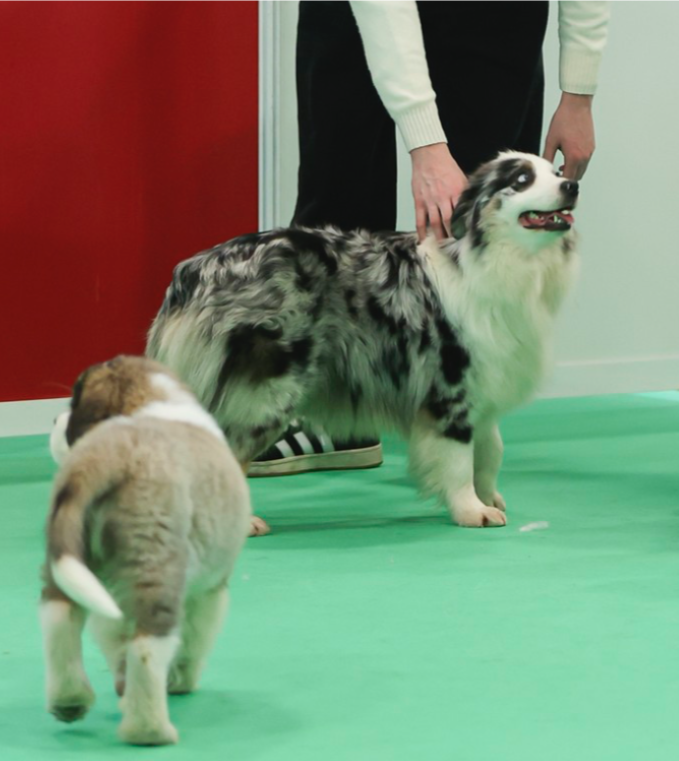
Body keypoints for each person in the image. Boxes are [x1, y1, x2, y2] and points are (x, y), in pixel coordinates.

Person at [249, 0, 610, 477]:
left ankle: (467, 409)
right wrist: (426, 143)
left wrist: (579, 94)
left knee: (489, 230)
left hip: (496, 20)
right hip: (357, 13)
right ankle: (333, 413)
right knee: (339, 212)